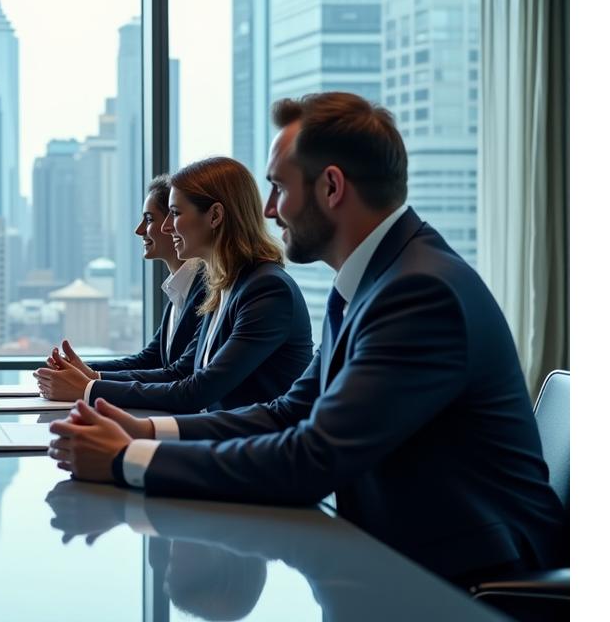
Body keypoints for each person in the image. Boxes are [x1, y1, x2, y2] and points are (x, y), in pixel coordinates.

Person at [48, 92, 568, 585]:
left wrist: (127, 458)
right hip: (397, 558)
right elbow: (287, 413)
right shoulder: (369, 284)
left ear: (332, 187)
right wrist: (144, 429)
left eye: (278, 187)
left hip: (470, 581)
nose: (270, 209)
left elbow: (312, 459)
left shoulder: (418, 293)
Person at [37, 156, 313, 414]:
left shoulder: (266, 290)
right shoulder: (223, 285)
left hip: (253, 454)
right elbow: (183, 372)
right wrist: (89, 378)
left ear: (215, 216)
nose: (167, 227)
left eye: (175, 213)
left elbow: (197, 390)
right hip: (219, 444)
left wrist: (89, 387)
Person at [42, 174, 206, 384]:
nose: (139, 230)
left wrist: (92, 380)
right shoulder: (179, 287)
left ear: (172, 222)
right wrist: (81, 370)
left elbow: (181, 373)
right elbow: (151, 360)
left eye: (148, 219)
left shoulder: (204, 289)